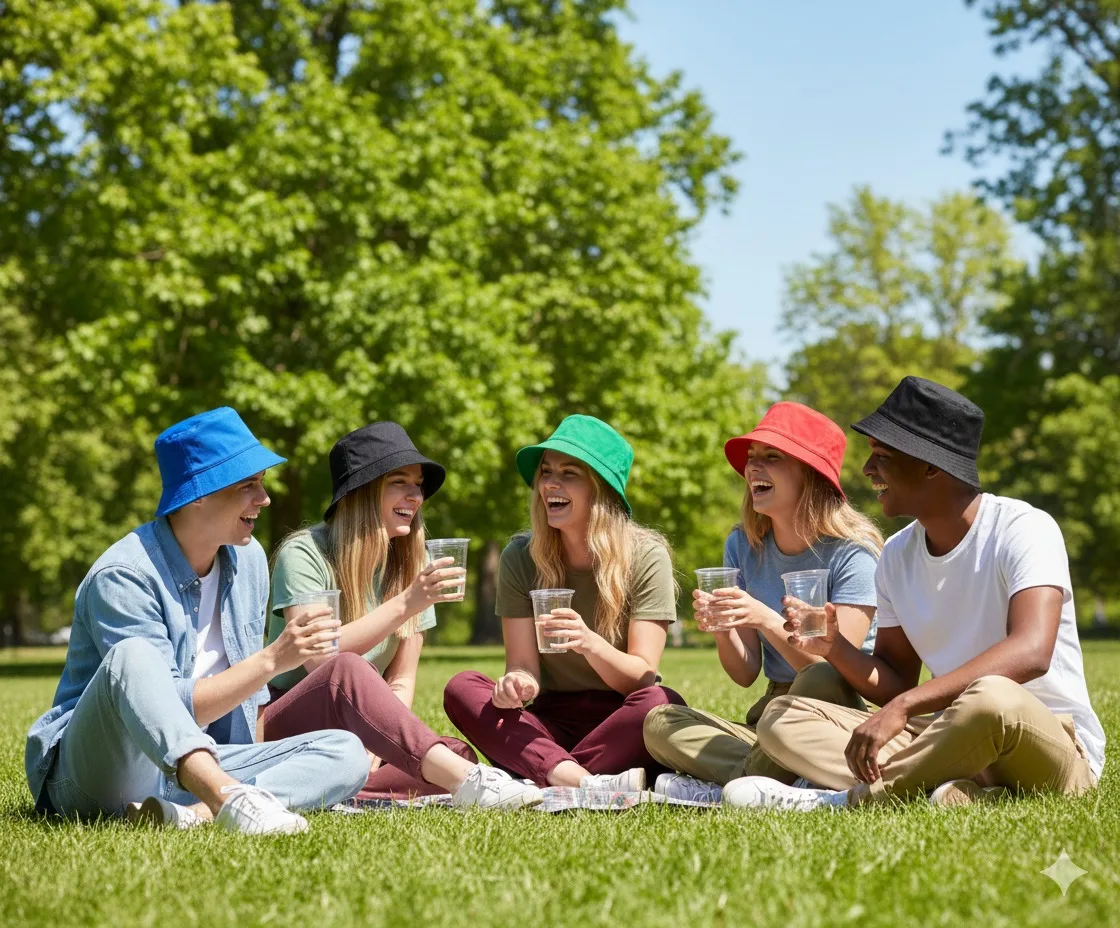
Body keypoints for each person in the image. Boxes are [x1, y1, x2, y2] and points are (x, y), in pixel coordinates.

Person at [726, 377, 1106, 810]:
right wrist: (834, 648)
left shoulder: (1023, 528)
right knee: (783, 718)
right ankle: (951, 791)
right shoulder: (897, 554)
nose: (868, 470)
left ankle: (845, 799)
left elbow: (1032, 651)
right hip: (945, 737)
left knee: (990, 695)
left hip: (1047, 741)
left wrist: (906, 706)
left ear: (932, 467)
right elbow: (894, 681)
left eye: (882, 457)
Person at [25, 408, 371, 834]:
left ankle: (196, 815)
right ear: (199, 494)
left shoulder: (249, 560)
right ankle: (229, 800)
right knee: (132, 656)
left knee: (345, 752)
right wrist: (274, 659)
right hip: (101, 773)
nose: (263, 499)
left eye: (261, 484)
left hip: (202, 764)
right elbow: (161, 705)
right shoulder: (124, 575)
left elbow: (250, 702)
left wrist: (262, 748)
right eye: (248, 485)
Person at [261, 422, 542, 810]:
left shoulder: (413, 561)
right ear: (361, 492)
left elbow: (402, 678)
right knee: (348, 667)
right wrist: (407, 603)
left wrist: (378, 739)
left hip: (356, 731)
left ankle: (332, 785)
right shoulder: (304, 554)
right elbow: (321, 661)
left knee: (456, 753)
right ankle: (468, 785)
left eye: (419, 485)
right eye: (399, 482)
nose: (416, 495)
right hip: (287, 722)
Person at [643, 402, 882, 802]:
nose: (753, 469)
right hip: (770, 710)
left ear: (811, 475)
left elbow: (834, 664)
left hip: (832, 710)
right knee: (659, 721)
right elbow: (744, 672)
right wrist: (724, 629)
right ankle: (775, 779)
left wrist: (763, 617)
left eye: (772, 458)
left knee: (820, 677)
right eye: (751, 459)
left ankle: (738, 782)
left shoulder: (854, 554)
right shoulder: (743, 545)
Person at [443, 415, 684, 790]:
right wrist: (517, 685)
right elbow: (523, 667)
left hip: (618, 718)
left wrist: (589, 643)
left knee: (660, 702)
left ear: (601, 490)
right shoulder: (520, 556)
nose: (550, 483)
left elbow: (641, 677)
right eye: (546, 471)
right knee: (463, 686)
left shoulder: (646, 556)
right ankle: (585, 782)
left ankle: (542, 771)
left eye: (569, 473)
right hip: (548, 720)